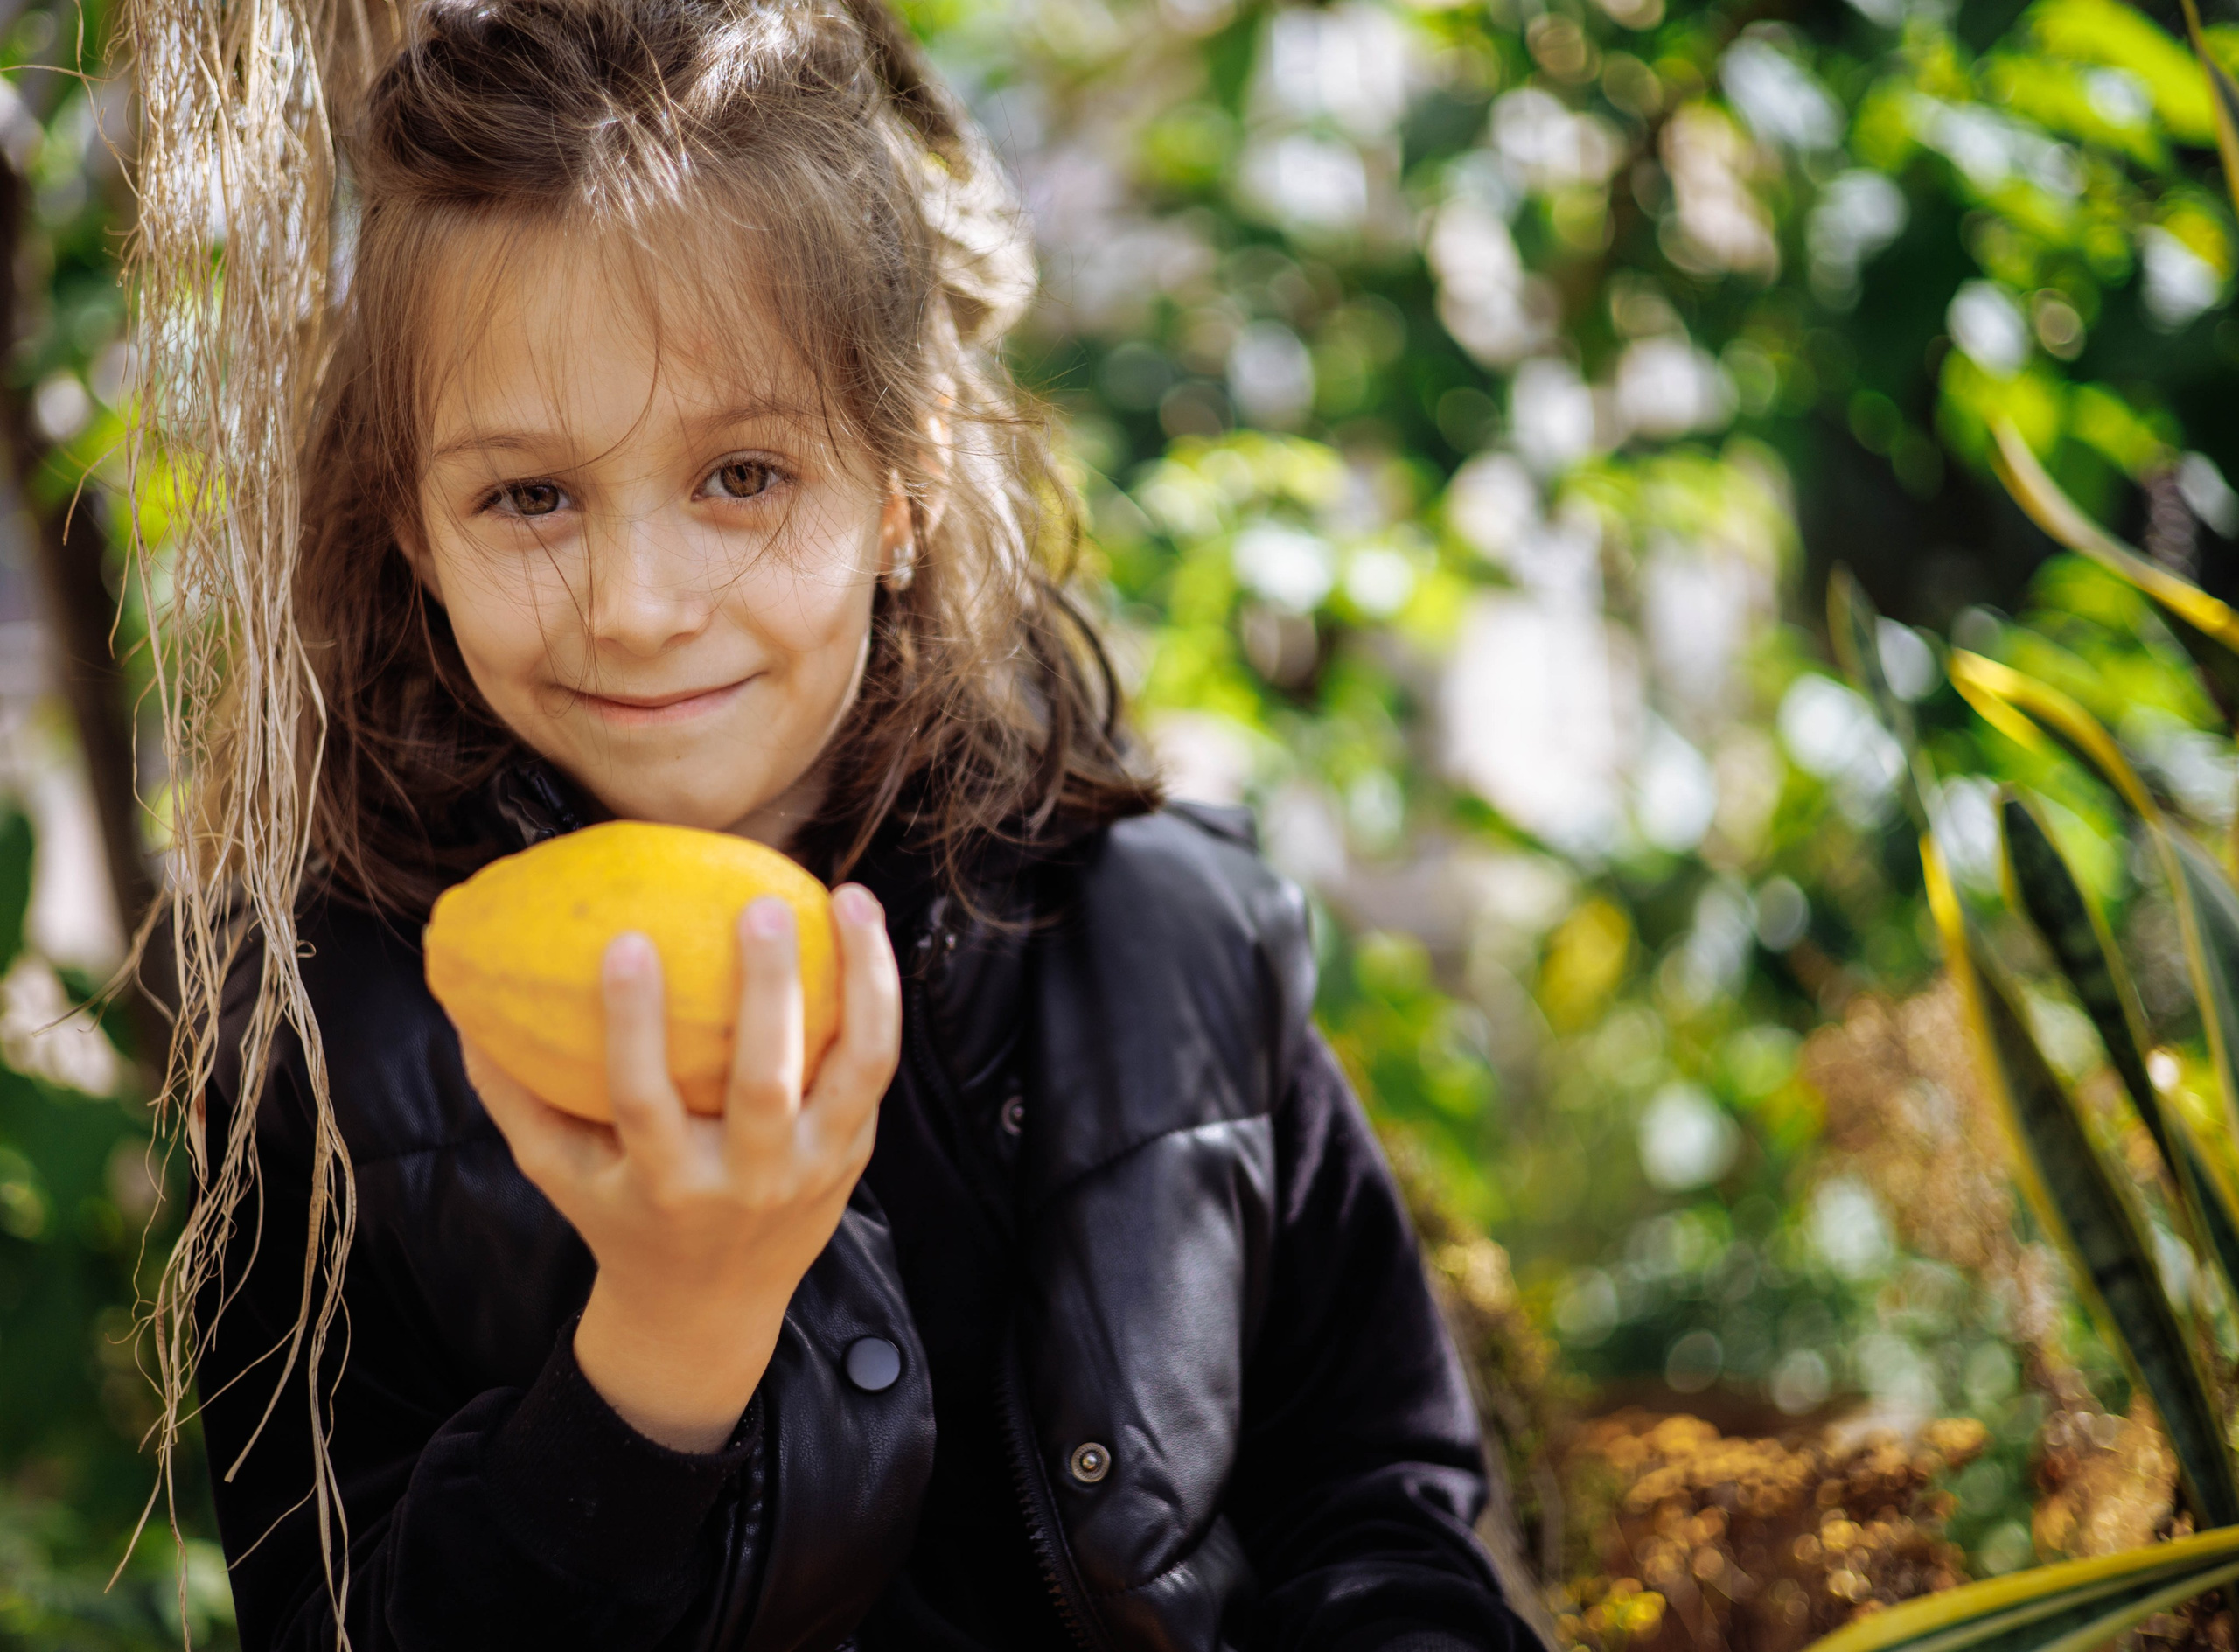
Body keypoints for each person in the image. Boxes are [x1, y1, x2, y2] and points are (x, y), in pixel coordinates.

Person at [185, 0, 1545, 1646]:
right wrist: (668, 1343)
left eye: (742, 475)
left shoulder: (1170, 945)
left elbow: (1384, 1522)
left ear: (901, 482)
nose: (637, 604)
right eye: (528, 496)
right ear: (413, 521)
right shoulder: (319, 1053)